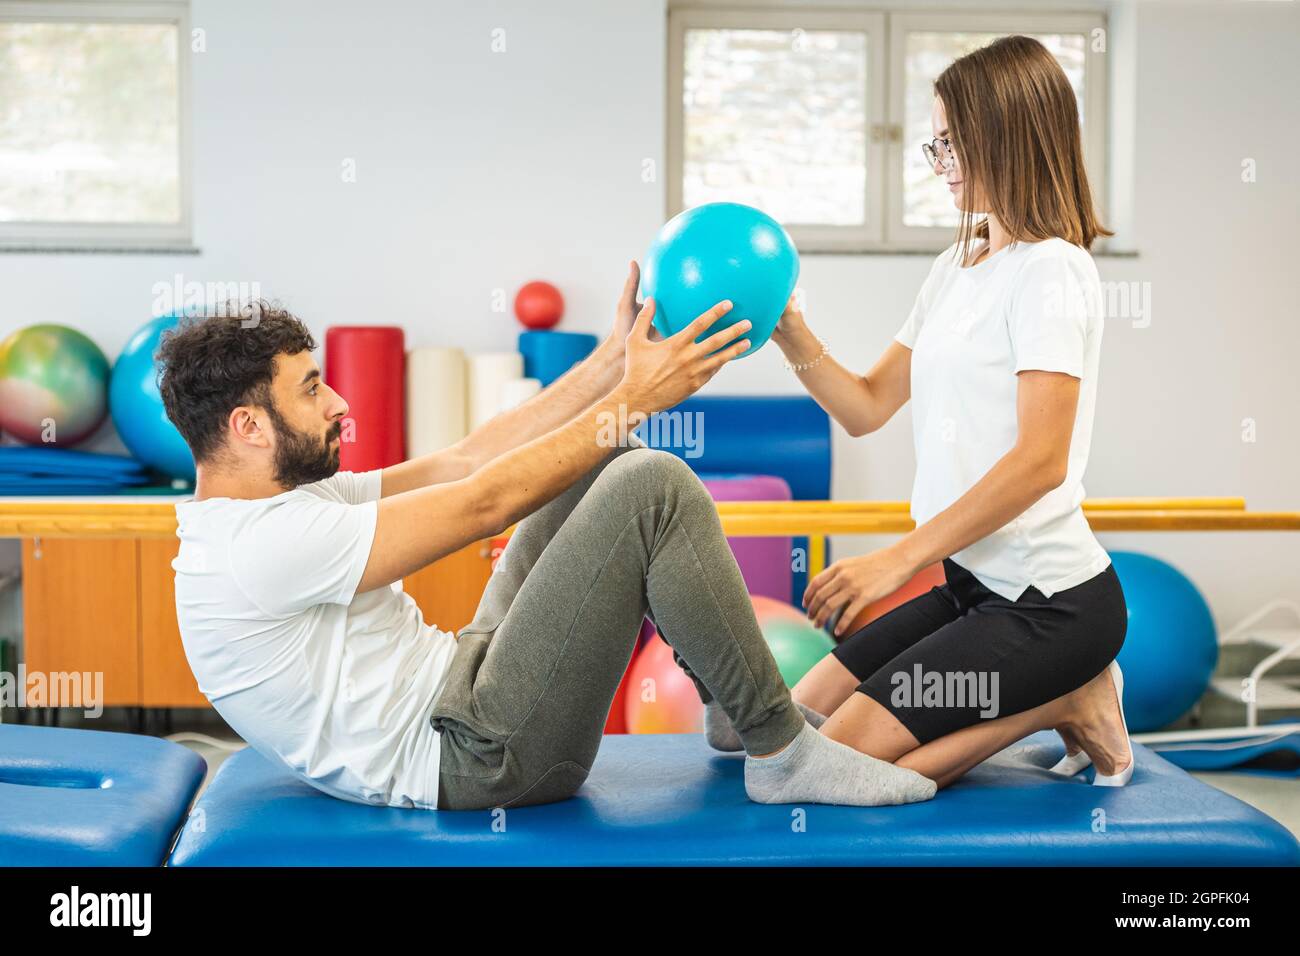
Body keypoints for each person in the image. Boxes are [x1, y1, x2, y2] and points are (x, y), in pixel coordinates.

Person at [161, 279, 936, 811]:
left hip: (462, 689)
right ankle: (780, 751)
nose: (338, 402)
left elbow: (467, 461)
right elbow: (484, 502)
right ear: (248, 426)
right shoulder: (261, 547)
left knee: (610, 457)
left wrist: (611, 363)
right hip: (481, 759)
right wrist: (639, 395)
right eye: (310, 389)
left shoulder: (279, 503)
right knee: (653, 485)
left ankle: (733, 712)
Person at [752, 35, 1133, 790]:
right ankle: (1059, 694)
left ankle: (1063, 695)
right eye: (937, 145)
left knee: (815, 774)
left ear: (1009, 135)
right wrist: (788, 329)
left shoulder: (1052, 271)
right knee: (782, 737)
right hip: (970, 588)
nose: (942, 163)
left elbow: (1040, 462)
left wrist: (895, 559)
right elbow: (866, 406)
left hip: (1049, 607)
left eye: (954, 143)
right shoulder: (957, 265)